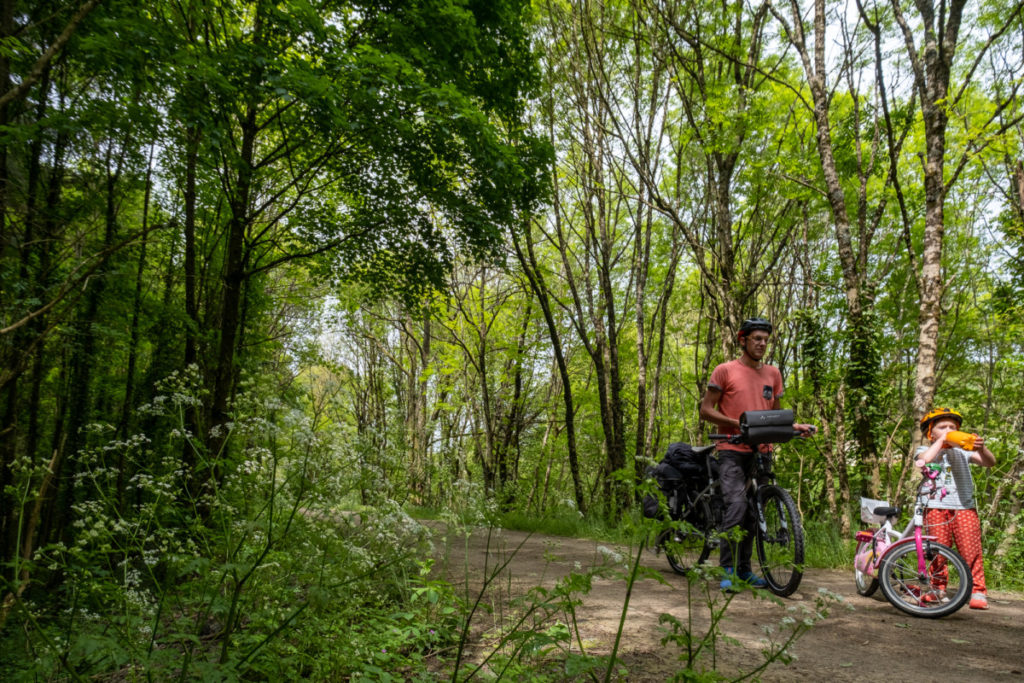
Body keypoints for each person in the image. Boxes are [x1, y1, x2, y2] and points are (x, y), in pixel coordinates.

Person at [699, 317, 813, 591]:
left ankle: (745, 570)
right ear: (743, 340)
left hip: (762, 450)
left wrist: (795, 426)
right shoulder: (725, 370)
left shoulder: (773, 374)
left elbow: (775, 412)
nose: (762, 343)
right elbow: (706, 410)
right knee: (736, 507)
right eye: (756, 339)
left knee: (754, 511)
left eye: (765, 339)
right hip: (731, 449)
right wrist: (737, 422)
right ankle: (727, 570)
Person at [915, 408, 996, 610]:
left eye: (953, 427)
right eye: (942, 427)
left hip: (963, 507)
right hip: (934, 506)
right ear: (930, 433)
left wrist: (981, 448)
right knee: (936, 550)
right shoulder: (924, 449)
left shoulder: (963, 451)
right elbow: (924, 461)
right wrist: (941, 442)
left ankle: (977, 590)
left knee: (971, 550)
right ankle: (937, 588)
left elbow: (989, 463)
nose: (949, 430)